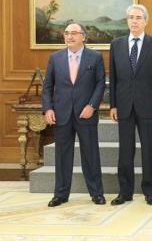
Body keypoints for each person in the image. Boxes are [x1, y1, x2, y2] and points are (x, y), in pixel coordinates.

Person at [42, 22, 106, 207]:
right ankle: (60, 194)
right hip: (61, 114)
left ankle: (96, 193)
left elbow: (100, 83)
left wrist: (92, 106)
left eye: (74, 33)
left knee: (91, 155)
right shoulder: (55, 58)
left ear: (83, 37)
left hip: (86, 114)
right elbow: (47, 87)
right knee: (62, 156)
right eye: (67, 33)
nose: (69, 36)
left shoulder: (95, 57)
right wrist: (48, 108)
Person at [109, 4, 152, 206]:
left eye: (138, 17)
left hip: (149, 106)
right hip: (124, 105)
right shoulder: (116, 44)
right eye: (131, 17)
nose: (134, 20)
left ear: (145, 21)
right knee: (125, 151)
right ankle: (124, 192)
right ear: (127, 21)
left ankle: (150, 191)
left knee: (148, 150)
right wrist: (113, 105)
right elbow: (114, 78)